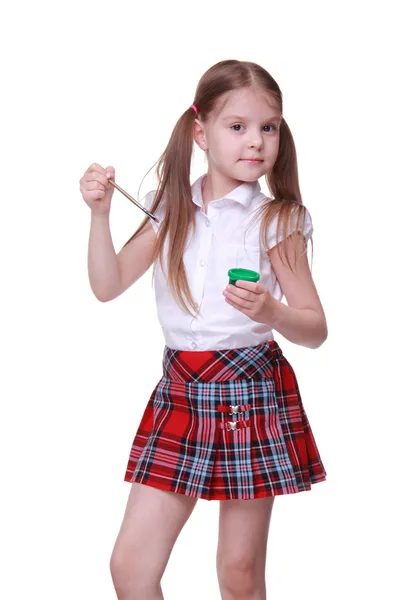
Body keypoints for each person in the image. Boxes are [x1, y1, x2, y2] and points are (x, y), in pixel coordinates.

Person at [80, 59, 328, 600]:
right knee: (131, 568)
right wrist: (99, 215)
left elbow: (315, 329)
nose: (257, 142)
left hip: (249, 392)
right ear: (201, 132)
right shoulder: (169, 211)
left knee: (238, 573)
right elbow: (108, 284)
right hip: (181, 392)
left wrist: (273, 314)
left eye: (269, 127)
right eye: (237, 126)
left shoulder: (277, 220)